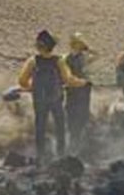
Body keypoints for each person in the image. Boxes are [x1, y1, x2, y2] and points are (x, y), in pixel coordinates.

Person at [18, 30, 88, 164]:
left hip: (39, 100)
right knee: (60, 126)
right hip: (56, 99)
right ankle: (61, 155)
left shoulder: (33, 61)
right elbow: (68, 79)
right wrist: (83, 82)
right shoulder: (59, 61)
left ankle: (40, 157)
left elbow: (22, 80)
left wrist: (30, 87)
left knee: (40, 127)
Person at [64, 33, 94, 151]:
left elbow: (97, 55)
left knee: (82, 113)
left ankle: (79, 140)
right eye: (76, 43)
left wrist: (87, 47)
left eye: (78, 44)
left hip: (83, 88)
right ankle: (73, 139)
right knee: (72, 112)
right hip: (73, 87)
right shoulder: (66, 58)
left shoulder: (83, 57)